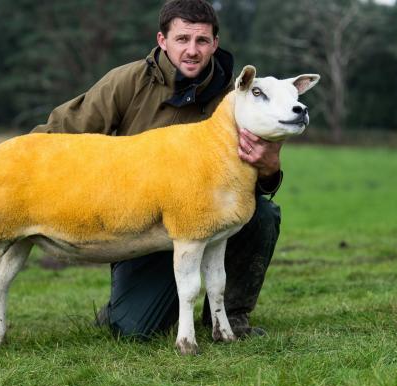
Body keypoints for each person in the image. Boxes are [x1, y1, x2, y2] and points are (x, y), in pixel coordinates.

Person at [32, 0, 283, 339]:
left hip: (207, 217)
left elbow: (252, 180)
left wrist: (269, 170)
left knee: (263, 215)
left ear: (215, 44)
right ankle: (128, 307)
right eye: (182, 39)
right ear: (162, 41)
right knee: (134, 331)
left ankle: (230, 318)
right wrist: (15, 164)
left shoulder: (236, 97)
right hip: (141, 224)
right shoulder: (128, 82)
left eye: (202, 41)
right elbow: (63, 130)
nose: (192, 50)